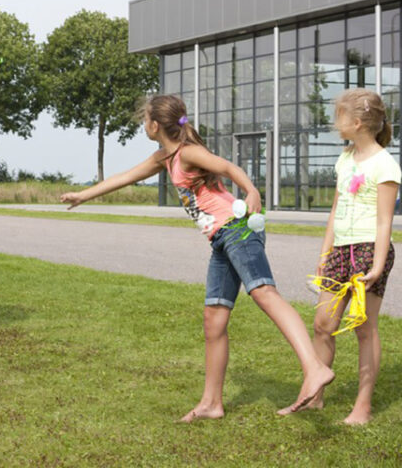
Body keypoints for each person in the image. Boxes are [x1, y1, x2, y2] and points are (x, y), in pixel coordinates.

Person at [60, 94, 334, 422]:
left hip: (238, 229)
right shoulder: (165, 157)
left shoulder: (189, 153)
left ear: (155, 124)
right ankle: (211, 404)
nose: (142, 124)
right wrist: (83, 195)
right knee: (213, 320)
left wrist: (251, 190)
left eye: (144, 119)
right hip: (221, 239)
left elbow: (228, 167)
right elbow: (124, 178)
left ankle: (314, 368)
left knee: (264, 293)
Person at [301, 88, 400, 424]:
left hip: (370, 251)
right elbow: (335, 210)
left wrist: (376, 264)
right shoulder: (344, 160)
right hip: (340, 252)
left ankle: (363, 406)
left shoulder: (385, 164)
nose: (335, 123)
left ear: (356, 122)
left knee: (363, 328)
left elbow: (386, 220)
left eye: (339, 116)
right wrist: (324, 252)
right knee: (323, 324)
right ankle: (315, 394)